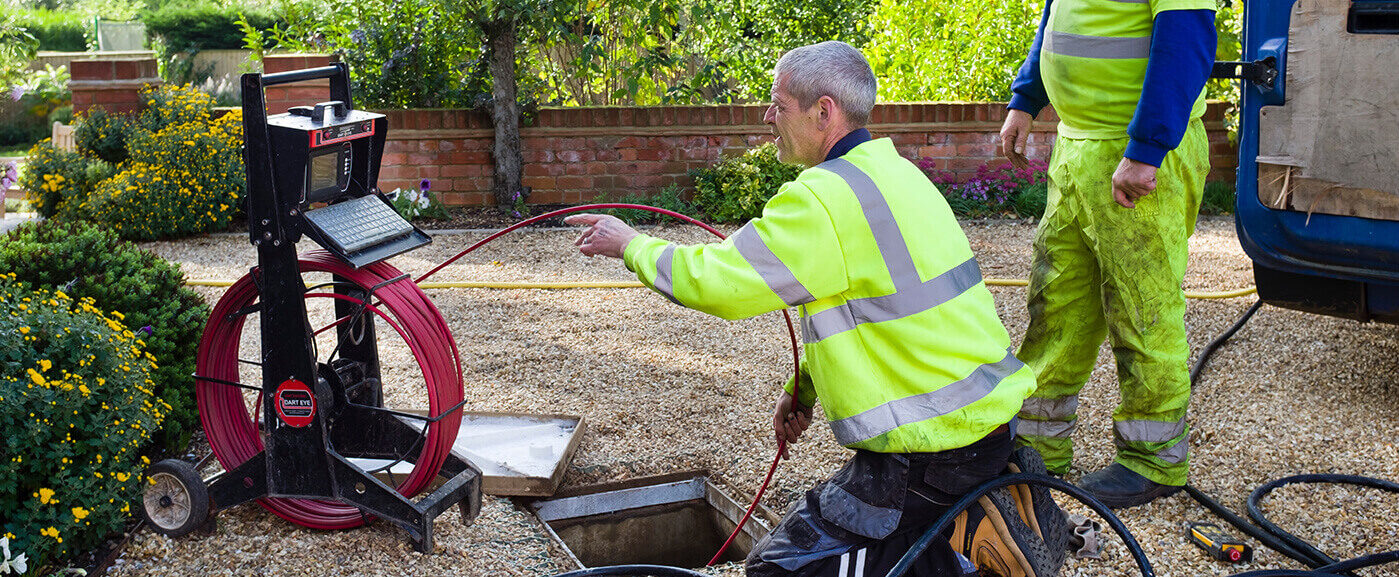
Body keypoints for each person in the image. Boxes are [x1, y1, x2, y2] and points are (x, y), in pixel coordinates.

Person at [566, 41, 1065, 577]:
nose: (767, 118)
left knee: (781, 570)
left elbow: (721, 283)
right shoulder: (897, 175)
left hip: (931, 453)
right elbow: (884, 317)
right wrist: (801, 389)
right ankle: (968, 517)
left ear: (823, 111)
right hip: (985, 426)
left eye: (777, 105)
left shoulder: (825, 199)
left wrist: (630, 245)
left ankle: (966, 541)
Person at [998, 0, 1217, 508]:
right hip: (1079, 149)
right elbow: (1058, 23)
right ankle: (1036, 449)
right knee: (1056, 303)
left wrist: (1145, 150)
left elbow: (1184, 45)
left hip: (1134, 155)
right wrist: (1026, 98)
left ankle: (1152, 461)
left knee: (1141, 308)